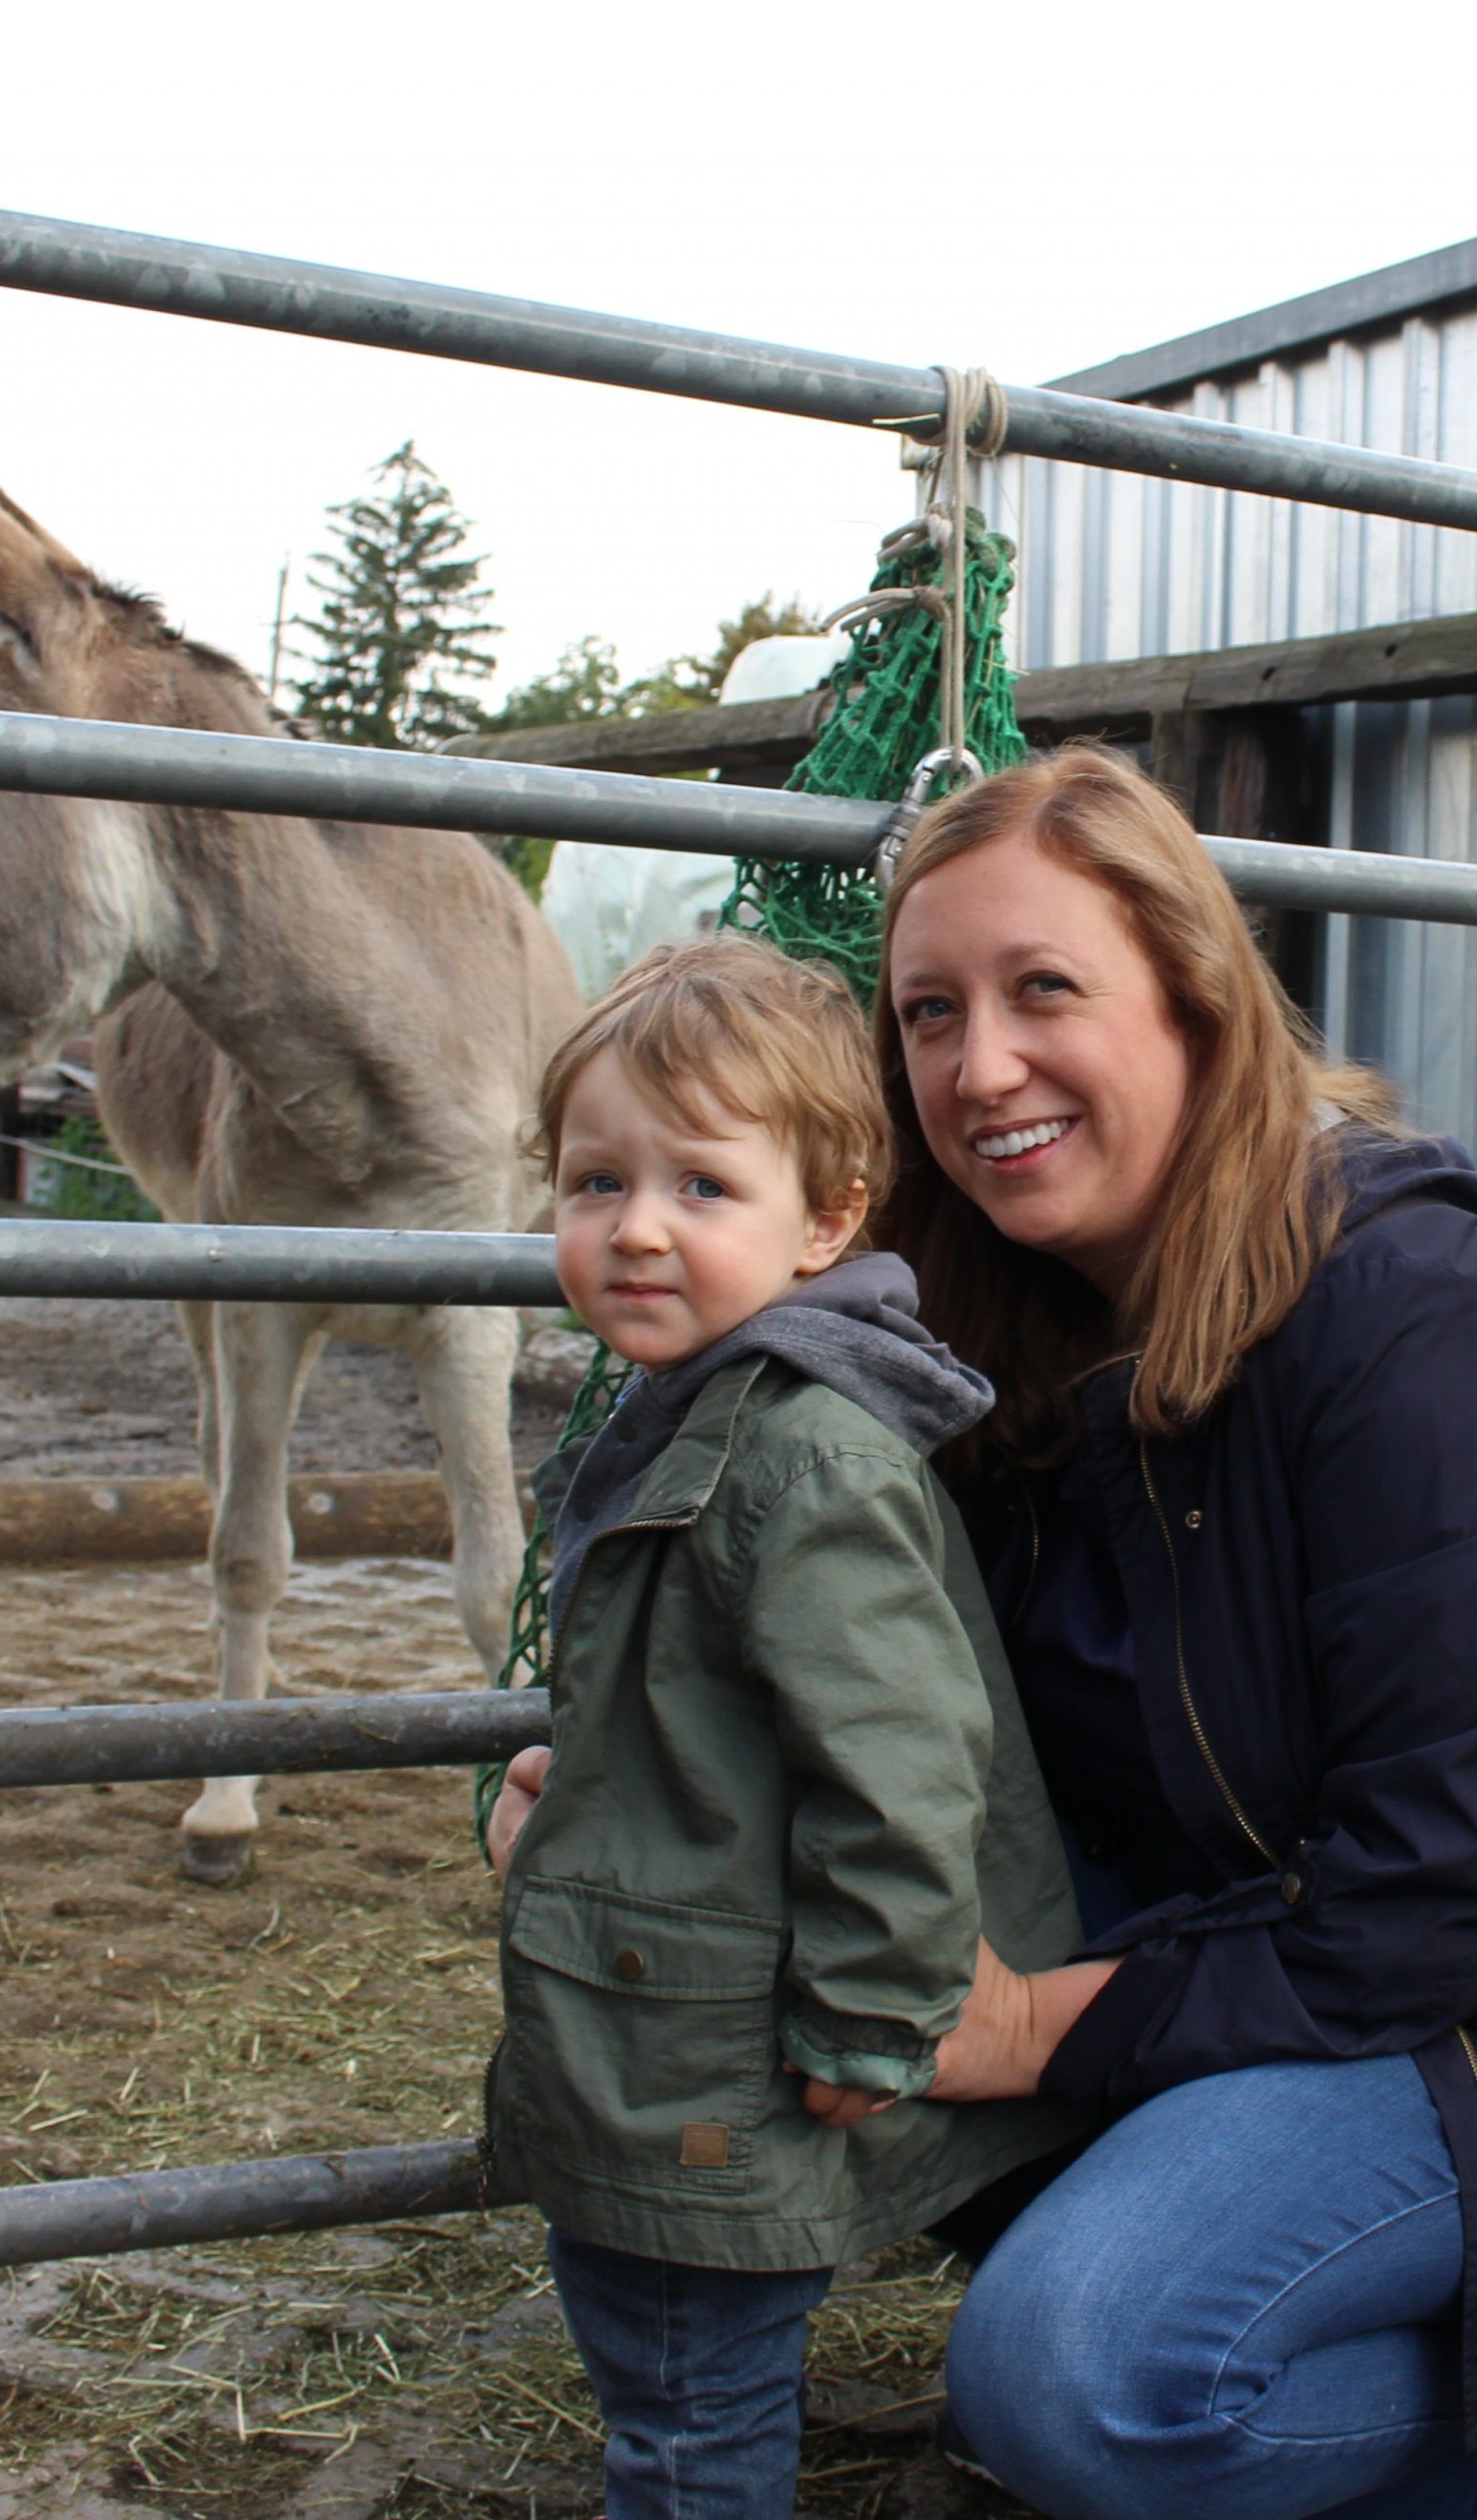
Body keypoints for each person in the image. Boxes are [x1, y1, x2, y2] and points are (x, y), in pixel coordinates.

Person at [870, 745, 1477, 2520]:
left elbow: (1446, 1889)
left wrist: (1032, 2032)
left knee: (1068, 2373)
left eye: (1043, 990)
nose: (979, 1065)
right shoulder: (1002, 1324)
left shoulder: (1402, 1312)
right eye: (931, 1012)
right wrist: (656, 1782)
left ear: (1196, 1002)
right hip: (1262, 1956)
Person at [479, 937, 1084, 2520]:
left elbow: (905, 1763)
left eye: (701, 1185)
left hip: (730, 2060)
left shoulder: (805, 1461)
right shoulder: (695, 1410)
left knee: (689, 2414)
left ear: (825, 1221)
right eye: (595, 1182)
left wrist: (878, 2015)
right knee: (669, 2375)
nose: (636, 1228)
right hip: (681, 2019)